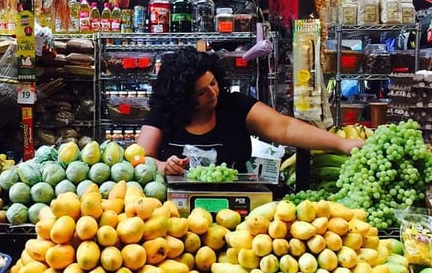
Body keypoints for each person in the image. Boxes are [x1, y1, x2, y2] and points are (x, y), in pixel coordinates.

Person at [138, 46, 365, 176]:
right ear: (182, 97)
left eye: (214, 83)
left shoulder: (235, 106)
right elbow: (139, 158)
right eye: (201, 93)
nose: (213, 93)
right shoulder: (164, 112)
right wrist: (163, 166)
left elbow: (284, 128)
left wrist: (341, 143)